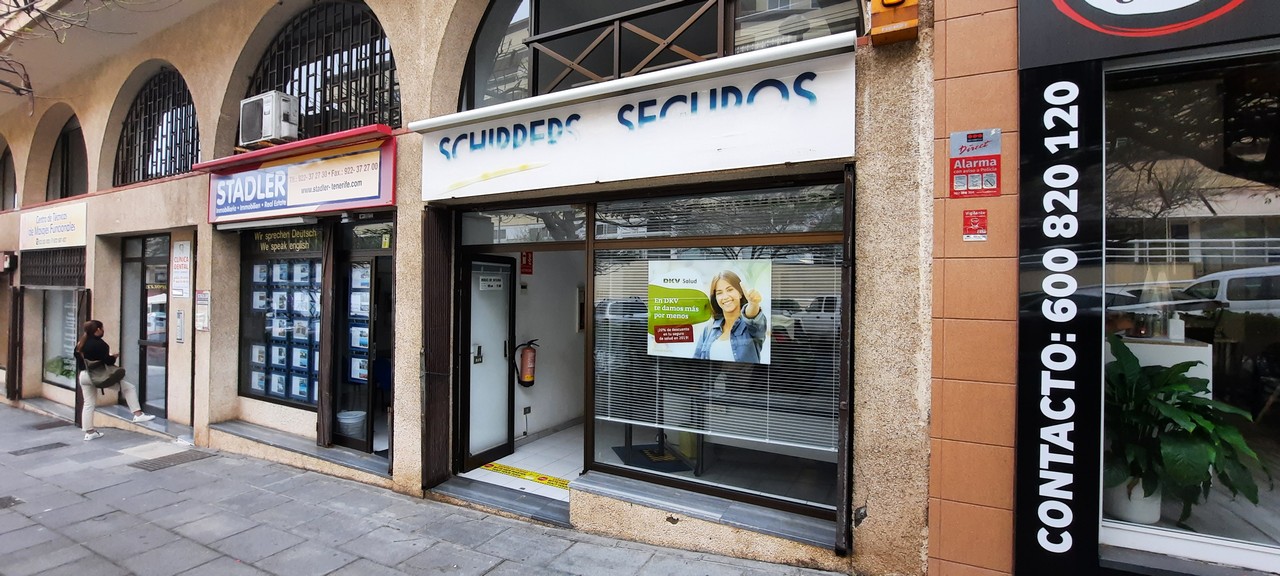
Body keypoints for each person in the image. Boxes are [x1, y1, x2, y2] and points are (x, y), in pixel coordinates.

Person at [74, 319, 155, 441]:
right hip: (99, 376)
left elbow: (80, 358)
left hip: (84, 376)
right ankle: (138, 414)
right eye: (102, 328)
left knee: (88, 404)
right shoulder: (101, 344)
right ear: (98, 330)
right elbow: (108, 361)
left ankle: (89, 432)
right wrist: (114, 357)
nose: (103, 330)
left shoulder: (81, 343)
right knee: (129, 388)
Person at [693, 270, 767, 363]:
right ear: (715, 298)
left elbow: (752, 317)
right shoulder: (708, 330)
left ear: (740, 293)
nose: (725, 296)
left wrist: (753, 304)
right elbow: (696, 364)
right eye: (719, 293)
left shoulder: (750, 326)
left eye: (730, 290)